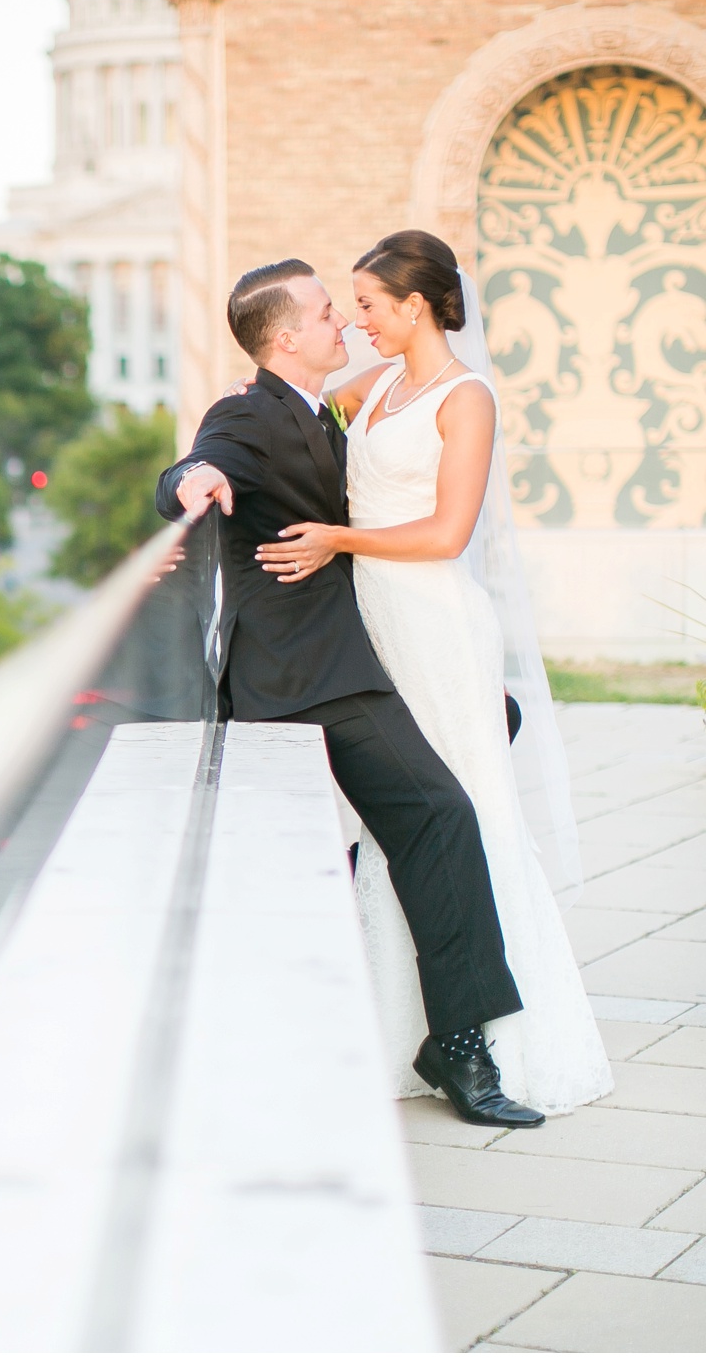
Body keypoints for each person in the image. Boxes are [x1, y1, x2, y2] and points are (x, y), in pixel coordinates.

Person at [207, 233, 610, 1118]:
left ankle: (465, 1041)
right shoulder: (374, 386)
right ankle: (369, 1029)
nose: (353, 319)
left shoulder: (464, 396)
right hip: (352, 643)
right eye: (337, 308)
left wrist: (339, 539)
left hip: (426, 621)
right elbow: (266, 419)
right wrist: (215, 446)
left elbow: (446, 531)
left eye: (368, 305)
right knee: (389, 828)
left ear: (415, 305)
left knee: (455, 810)